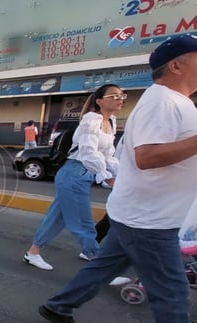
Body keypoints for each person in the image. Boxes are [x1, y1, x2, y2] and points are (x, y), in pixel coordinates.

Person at [38, 35, 197, 323]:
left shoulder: (177, 102)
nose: (120, 99)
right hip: (148, 219)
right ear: (176, 65)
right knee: (171, 291)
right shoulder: (162, 102)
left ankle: (58, 306)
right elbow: (146, 155)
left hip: (140, 212)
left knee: (101, 268)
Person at [23, 83, 124, 270]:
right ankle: (97, 262)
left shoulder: (111, 122)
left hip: (83, 175)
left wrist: (119, 174)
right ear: (100, 101)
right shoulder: (91, 119)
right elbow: (88, 152)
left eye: (121, 95)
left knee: (56, 217)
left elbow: (108, 154)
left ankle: (33, 253)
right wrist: (105, 176)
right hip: (74, 173)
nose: (120, 99)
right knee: (83, 222)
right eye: (114, 96)